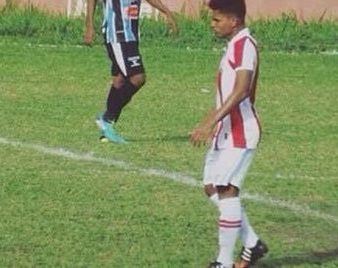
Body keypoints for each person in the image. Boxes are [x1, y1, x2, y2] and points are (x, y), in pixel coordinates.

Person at [188, 0, 268, 267]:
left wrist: (212, 122)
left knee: (227, 190)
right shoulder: (234, 45)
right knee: (211, 186)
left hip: (240, 131)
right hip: (226, 131)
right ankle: (252, 243)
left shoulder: (245, 46)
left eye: (217, 20)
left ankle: (223, 262)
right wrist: (209, 121)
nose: (213, 24)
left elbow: (242, 89)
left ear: (234, 20)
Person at [84, 0, 177, 144]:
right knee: (137, 77)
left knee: (119, 80)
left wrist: (166, 11)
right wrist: (89, 26)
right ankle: (107, 119)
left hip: (131, 34)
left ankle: (106, 130)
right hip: (117, 34)